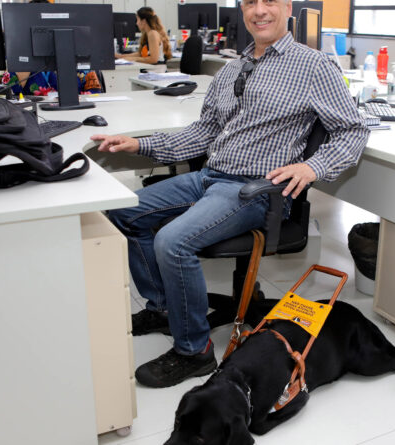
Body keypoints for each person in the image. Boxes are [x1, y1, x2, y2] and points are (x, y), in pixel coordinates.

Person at [91, 0, 369, 388]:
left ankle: (195, 351)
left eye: (269, 1)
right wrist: (140, 144)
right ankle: (164, 308)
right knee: (122, 213)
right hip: (210, 177)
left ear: (287, 7)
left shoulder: (314, 65)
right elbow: (202, 133)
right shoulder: (231, 69)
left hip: (254, 189)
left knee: (172, 242)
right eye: (251, 2)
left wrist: (312, 167)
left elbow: (353, 129)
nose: (259, 10)